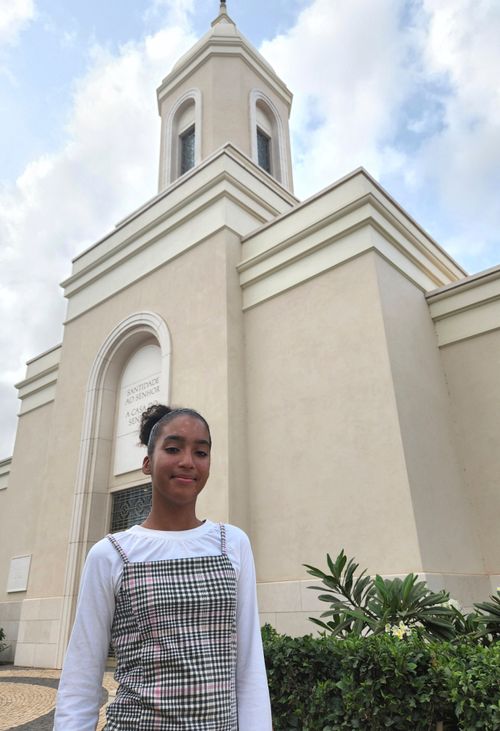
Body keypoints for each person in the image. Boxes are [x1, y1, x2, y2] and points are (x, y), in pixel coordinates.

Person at [53, 404, 273, 730]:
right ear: (147, 463)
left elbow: (249, 664)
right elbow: (82, 674)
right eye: (173, 449)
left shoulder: (232, 544)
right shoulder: (111, 554)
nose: (188, 461)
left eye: (201, 452)